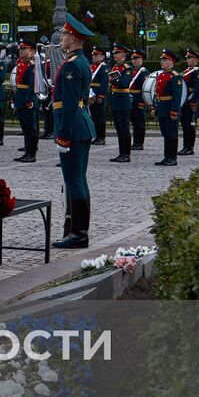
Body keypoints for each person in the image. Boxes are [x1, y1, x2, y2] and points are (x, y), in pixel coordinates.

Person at [53, 14, 97, 249]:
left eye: (65, 34)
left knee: (74, 180)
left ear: (73, 38)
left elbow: (69, 104)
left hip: (74, 127)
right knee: (78, 179)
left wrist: (63, 134)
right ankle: (77, 231)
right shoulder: (80, 61)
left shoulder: (73, 65)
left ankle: (79, 233)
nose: (62, 37)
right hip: (81, 125)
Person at [152, 49, 186, 167]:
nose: (162, 62)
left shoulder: (175, 77)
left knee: (172, 134)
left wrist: (174, 111)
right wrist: (155, 107)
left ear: (171, 62)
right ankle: (166, 157)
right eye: (161, 60)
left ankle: (173, 158)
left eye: (165, 60)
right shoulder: (161, 75)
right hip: (162, 108)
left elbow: (177, 96)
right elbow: (157, 93)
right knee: (165, 134)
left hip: (170, 108)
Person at [12, 37, 39, 163]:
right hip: (20, 97)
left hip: (28, 98)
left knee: (31, 128)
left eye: (24, 49)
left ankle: (31, 154)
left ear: (31, 50)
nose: (21, 51)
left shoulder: (32, 65)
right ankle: (27, 152)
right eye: (20, 48)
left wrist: (29, 100)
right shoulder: (20, 63)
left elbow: (33, 85)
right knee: (25, 128)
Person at [107, 44, 133, 163]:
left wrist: (114, 80)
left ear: (123, 54)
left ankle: (126, 154)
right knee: (119, 128)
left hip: (123, 100)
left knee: (124, 128)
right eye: (114, 53)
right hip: (115, 99)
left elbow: (124, 83)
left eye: (117, 53)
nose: (114, 55)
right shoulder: (114, 67)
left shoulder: (127, 68)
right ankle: (121, 153)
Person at [179, 48, 199, 155]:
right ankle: (185, 146)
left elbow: (198, 89)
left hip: (190, 102)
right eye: (187, 58)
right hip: (184, 101)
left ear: (195, 59)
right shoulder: (187, 71)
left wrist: (193, 101)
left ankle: (190, 147)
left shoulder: (197, 72)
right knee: (184, 125)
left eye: (189, 58)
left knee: (190, 125)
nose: (187, 60)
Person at [127, 49, 149, 152]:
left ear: (142, 59)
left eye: (137, 58)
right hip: (130, 98)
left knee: (140, 122)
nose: (134, 61)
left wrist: (141, 101)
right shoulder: (132, 70)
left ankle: (140, 143)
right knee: (134, 122)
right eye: (133, 59)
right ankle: (135, 142)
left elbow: (144, 88)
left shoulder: (144, 72)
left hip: (138, 98)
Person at [89, 46, 109, 146]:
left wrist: (101, 96)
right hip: (91, 94)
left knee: (101, 117)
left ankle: (102, 137)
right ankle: (96, 136)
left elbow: (105, 83)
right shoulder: (92, 67)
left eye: (96, 55)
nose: (93, 56)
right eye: (93, 54)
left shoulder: (103, 67)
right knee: (95, 117)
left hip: (98, 94)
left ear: (102, 57)